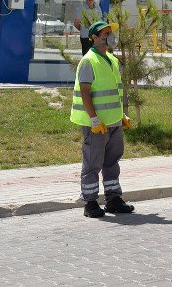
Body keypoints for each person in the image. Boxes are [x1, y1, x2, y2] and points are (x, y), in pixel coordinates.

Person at [70, 20, 135, 218]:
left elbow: (115, 92)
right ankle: (90, 203)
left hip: (114, 122)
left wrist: (121, 115)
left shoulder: (113, 60)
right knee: (92, 163)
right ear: (94, 38)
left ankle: (113, 199)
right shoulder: (88, 61)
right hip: (97, 124)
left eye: (110, 32)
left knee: (112, 162)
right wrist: (94, 119)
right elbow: (85, 93)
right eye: (106, 33)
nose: (110, 36)